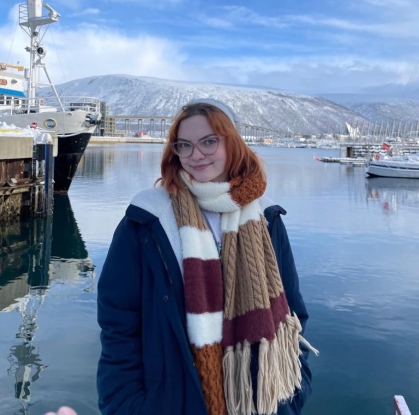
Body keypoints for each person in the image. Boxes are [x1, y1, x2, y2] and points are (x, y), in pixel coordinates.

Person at [97, 99, 317, 415]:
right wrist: (126, 405)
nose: (196, 154)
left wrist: (291, 398)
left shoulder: (265, 217)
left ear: (233, 144)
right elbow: (118, 322)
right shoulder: (148, 219)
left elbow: (293, 314)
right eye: (184, 145)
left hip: (259, 402)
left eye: (209, 142)